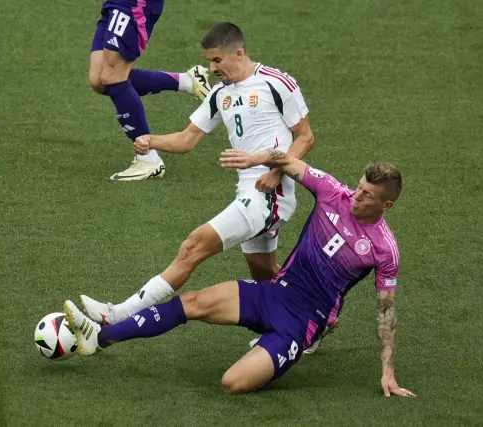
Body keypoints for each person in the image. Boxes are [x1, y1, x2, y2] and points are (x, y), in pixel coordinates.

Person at [64, 149, 414, 397]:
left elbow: (386, 311)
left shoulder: (384, 249)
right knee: (192, 303)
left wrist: (388, 371)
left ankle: (276, 352)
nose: (356, 196)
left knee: (232, 384)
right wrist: (255, 159)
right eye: (359, 186)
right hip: (275, 292)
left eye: (367, 195)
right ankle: (99, 339)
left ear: (386, 205)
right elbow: (287, 160)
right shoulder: (333, 192)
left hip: (303, 322)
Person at [79, 22, 315, 324]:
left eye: (217, 60)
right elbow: (187, 139)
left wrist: (277, 173)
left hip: (270, 194)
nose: (212, 68)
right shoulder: (220, 94)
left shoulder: (275, 82)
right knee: (264, 273)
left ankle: (118, 314)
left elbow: (305, 137)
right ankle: (314, 319)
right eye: (209, 61)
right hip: (249, 192)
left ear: (239, 53)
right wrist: (151, 140)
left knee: (192, 247)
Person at [90, 0, 213, 181]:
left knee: (112, 76)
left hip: (132, 4)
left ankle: (148, 159)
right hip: (116, 3)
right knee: (99, 80)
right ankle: (188, 81)